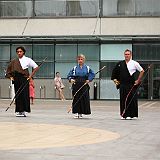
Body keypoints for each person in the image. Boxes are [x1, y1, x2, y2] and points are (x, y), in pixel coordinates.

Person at [5, 46, 39, 117]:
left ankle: (24, 111)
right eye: (18, 52)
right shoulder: (14, 61)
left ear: (23, 52)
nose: (19, 53)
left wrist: (30, 76)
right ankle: (19, 111)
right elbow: (9, 70)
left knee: (24, 94)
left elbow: (36, 67)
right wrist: (11, 77)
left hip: (24, 79)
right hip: (16, 79)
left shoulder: (27, 59)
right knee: (18, 95)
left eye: (20, 51)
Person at [111, 49, 144, 120]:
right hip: (123, 84)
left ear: (131, 55)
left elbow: (142, 71)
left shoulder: (134, 63)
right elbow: (114, 73)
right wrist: (116, 81)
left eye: (128, 54)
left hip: (131, 84)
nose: (127, 55)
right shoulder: (120, 63)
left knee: (131, 99)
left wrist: (138, 80)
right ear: (124, 55)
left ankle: (131, 114)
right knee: (123, 99)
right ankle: (124, 115)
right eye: (125, 54)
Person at [67, 54, 95, 118]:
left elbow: (92, 74)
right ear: (77, 60)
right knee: (76, 98)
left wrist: (89, 79)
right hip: (76, 84)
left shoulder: (87, 68)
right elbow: (69, 75)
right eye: (79, 59)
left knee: (83, 98)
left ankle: (81, 113)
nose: (80, 60)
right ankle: (76, 112)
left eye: (81, 59)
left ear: (84, 60)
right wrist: (71, 79)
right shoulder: (75, 68)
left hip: (84, 84)